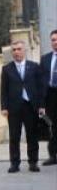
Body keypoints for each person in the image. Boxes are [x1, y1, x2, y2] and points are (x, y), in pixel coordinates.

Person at [0, 40, 44, 173]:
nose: (16, 52)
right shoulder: (7, 69)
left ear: (24, 51)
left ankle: (33, 162)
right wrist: (4, 107)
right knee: (14, 137)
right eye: (14, 50)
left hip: (31, 106)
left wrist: (41, 106)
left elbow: (40, 88)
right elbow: (3, 90)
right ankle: (14, 163)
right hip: (14, 108)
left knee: (32, 136)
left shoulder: (34, 66)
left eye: (19, 49)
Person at [39, 30, 57, 166]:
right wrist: (41, 103)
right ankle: (53, 156)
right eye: (53, 40)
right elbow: (40, 82)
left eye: (56, 39)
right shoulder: (45, 59)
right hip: (50, 95)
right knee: (52, 126)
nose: (55, 42)